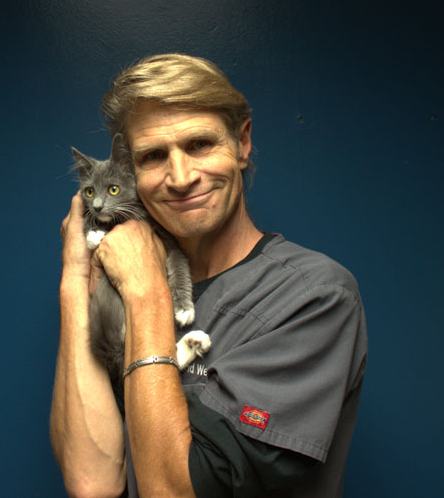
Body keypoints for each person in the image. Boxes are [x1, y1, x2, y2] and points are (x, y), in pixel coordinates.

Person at [51, 54, 367, 498]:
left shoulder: (315, 296)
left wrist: (145, 291)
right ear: (130, 171)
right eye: (153, 156)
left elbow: (173, 493)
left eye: (199, 145)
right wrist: (74, 276)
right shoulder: (113, 283)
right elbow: (92, 484)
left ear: (242, 143)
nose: (180, 178)